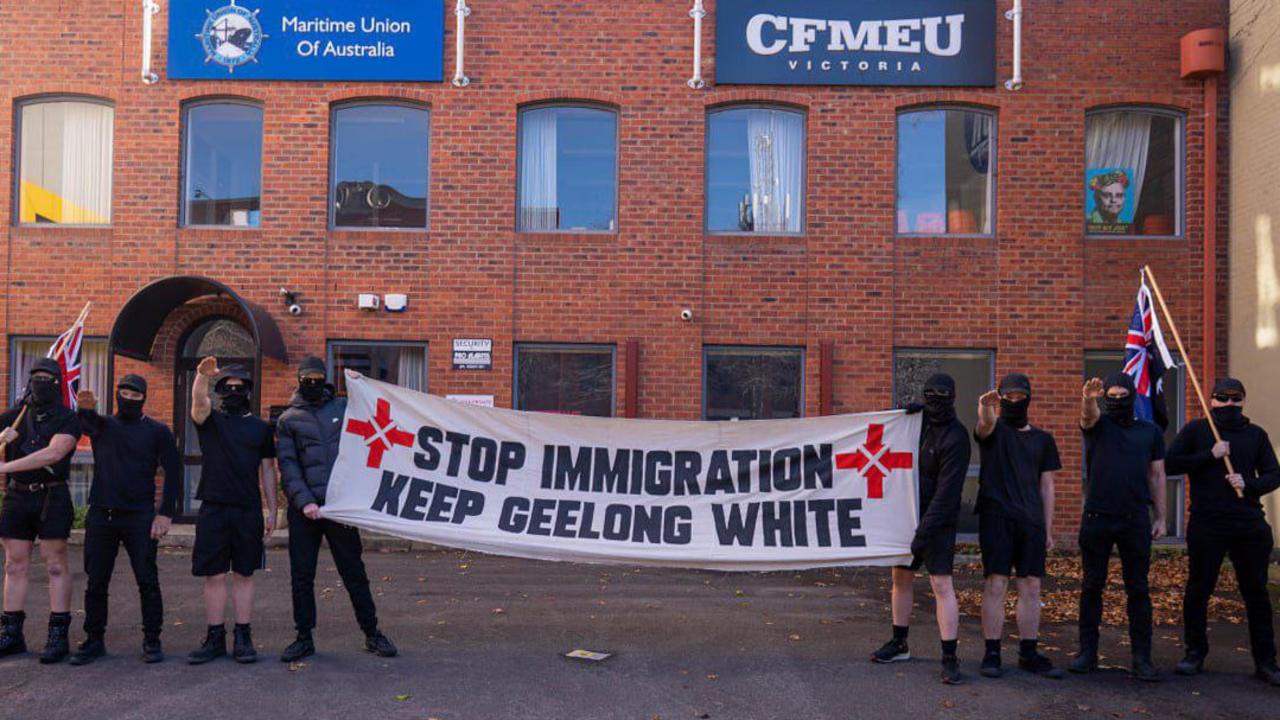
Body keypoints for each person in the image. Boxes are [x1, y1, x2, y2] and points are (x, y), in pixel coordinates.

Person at [276, 356, 396, 662]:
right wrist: (305, 502)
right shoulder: (288, 419)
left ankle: (372, 633)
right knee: (302, 576)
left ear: (326, 379)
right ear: (300, 380)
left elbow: (369, 429)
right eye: (308, 378)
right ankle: (304, 637)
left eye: (318, 377)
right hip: (306, 511)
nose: (313, 382)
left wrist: (361, 387)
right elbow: (288, 467)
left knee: (354, 572)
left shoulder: (343, 409)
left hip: (339, 508)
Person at [1166, 378, 1280, 686]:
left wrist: (1249, 484)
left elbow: (1274, 474)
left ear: (1243, 401)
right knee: (1199, 589)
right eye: (1222, 398)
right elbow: (1170, 464)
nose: (1229, 404)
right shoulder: (1197, 431)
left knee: (1256, 593)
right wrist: (1209, 455)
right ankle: (1194, 654)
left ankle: (1266, 662)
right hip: (1208, 523)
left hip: (1248, 523)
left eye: (1235, 398)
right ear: (1212, 400)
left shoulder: (1256, 435)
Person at [68, 375, 182, 665]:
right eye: (124, 393)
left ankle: (152, 640)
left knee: (147, 579)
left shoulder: (158, 431)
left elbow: (174, 473)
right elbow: (85, 424)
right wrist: (84, 410)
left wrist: (165, 513)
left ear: (144, 398)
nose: (129, 399)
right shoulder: (102, 425)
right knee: (96, 580)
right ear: (116, 393)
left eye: (135, 395)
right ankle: (94, 640)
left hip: (139, 516)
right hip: (101, 513)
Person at [869, 373, 971, 684]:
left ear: (952, 397)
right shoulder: (916, 426)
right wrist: (901, 413)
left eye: (940, 393)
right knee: (900, 580)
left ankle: (949, 657)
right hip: (906, 517)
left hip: (937, 523)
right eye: (929, 394)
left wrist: (923, 533)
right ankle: (899, 642)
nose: (934, 399)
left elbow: (947, 493)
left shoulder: (957, 436)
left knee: (942, 586)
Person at [1069, 374, 1166, 681]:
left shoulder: (1149, 432)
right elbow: (1088, 417)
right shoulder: (1098, 426)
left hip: (1135, 519)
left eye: (1122, 394)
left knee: (1138, 588)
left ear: (1133, 395)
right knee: (1091, 586)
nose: (1117, 399)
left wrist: (1162, 516)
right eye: (1111, 395)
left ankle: (1141, 658)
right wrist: (1089, 399)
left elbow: (1157, 476)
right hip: (1097, 518)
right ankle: (1087, 653)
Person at [187, 359, 278, 665]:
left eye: (239, 388)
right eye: (228, 388)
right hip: (213, 507)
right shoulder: (211, 420)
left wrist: (273, 509)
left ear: (248, 392)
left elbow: (268, 470)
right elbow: (199, 404)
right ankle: (214, 637)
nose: (234, 392)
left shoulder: (261, 429)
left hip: (247, 509)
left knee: (244, 574)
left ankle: (243, 636)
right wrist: (201, 377)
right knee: (213, 575)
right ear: (221, 391)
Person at [974, 373, 1063, 679]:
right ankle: (992, 653)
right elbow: (983, 425)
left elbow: (1047, 486)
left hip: (1031, 523)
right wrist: (985, 408)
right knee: (996, 583)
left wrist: (1048, 529)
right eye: (1007, 397)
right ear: (1000, 399)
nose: (1013, 401)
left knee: (1031, 586)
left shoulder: (1043, 440)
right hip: (996, 517)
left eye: (1018, 397)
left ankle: (1028, 652)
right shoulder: (994, 430)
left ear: (1028, 398)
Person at [0, 359, 82, 663]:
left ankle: (58, 634)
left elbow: (55, 452)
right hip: (17, 498)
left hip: (51, 497)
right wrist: (2, 439)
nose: (41, 382)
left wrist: (7, 466)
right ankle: (11, 633)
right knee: (14, 565)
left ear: (58, 382)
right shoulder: (14, 417)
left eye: (48, 377)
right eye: (36, 377)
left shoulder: (68, 418)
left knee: (56, 565)